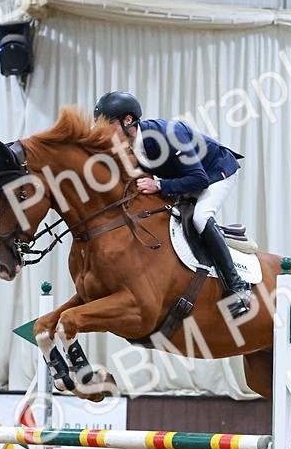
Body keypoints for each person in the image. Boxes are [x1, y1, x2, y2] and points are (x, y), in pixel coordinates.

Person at [94, 90, 252, 318]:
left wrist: (159, 186)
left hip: (215, 172)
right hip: (184, 178)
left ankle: (237, 287)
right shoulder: (127, 146)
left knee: (200, 217)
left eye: (107, 126)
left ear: (127, 120)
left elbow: (199, 179)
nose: (103, 134)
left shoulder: (170, 134)